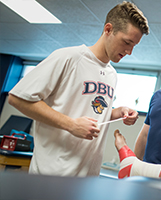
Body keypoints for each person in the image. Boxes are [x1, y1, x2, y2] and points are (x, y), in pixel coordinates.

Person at [8, 1, 149, 177]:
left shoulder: (112, 74)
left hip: (87, 178)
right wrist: (71, 124)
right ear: (108, 29)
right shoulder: (68, 57)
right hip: (51, 176)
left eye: (134, 45)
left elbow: (90, 110)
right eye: (127, 42)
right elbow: (17, 98)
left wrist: (117, 112)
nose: (129, 51)